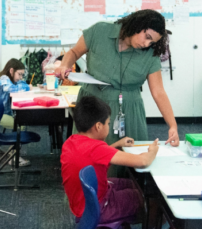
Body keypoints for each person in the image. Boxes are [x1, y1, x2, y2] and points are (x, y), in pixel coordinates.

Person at [54, 10, 180, 157]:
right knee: (90, 157)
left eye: (151, 42)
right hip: (93, 106)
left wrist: (173, 125)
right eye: (147, 37)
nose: (146, 44)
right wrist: (65, 65)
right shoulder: (100, 31)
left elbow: (158, 92)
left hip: (129, 109)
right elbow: (74, 52)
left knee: (130, 160)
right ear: (137, 25)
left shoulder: (150, 53)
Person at [61, 96, 158, 224]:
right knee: (150, 201)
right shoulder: (97, 148)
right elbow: (142, 161)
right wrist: (153, 150)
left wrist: (118, 143)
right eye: (108, 123)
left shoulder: (70, 142)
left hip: (82, 203)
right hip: (100, 207)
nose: (109, 126)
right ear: (98, 126)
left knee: (136, 185)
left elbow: (92, 157)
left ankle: (125, 218)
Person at [0, 58, 31, 166]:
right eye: (19, 74)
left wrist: (24, 84)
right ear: (11, 71)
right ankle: (14, 157)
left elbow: (21, 83)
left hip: (3, 113)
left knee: (20, 122)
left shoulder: (10, 79)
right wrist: (27, 87)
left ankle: (14, 152)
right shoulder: (4, 79)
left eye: (22, 75)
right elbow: (13, 89)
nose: (20, 77)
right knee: (20, 125)